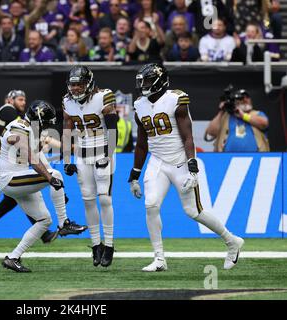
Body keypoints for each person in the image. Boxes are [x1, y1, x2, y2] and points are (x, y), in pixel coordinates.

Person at [128, 63, 244, 272]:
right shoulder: (139, 104)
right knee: (151, 204)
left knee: (193, 211)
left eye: (146, 80)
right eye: (141, 81)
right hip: (157, 161)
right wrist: (134, 174)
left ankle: (232, 241)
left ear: (159, 81)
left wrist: (192, 167)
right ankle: (159, 259)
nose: (143, 85)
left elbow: (187, 136)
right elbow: (142, 142)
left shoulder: (176, 99)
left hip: (180, 159)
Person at [0, 100, 87, 272]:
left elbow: (41, 160)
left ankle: (13, 257)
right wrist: (51, 179)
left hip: (18, 178)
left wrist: (57, 187)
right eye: (46, 122)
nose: (47, 126)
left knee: (44, 220)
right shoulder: (20, 126)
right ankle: (64, 224)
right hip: (11, 179)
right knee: (55, 175)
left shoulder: (31, 130)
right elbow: (31, 157)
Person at [0, 89, 58, 243]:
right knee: (13, 195)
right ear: (9, 100)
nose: (23, 103)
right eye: (19, 99)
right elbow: (25, 130)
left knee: (14, 196)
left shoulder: (19, 120)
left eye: (24, 100)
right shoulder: (9, 112)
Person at [62, 66, 118, 267]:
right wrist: (66, 158)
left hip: (103, 149)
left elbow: (113, 128)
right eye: (73, 84)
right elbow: (67, 128)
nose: (76, 88)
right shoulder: (67, 101)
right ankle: (96, 245)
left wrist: (109, 155)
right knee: (88, 200)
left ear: (89, 83)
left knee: (104, 198)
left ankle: (109, 245)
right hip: (83, 153)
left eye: (80, 84)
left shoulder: (103, 96)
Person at [205, 89, 269, 152]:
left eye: (247, 97)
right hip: (227, 158)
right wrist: (221, 111)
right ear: (235, 102)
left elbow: (264, 123)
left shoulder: (257, 114)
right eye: (241, 98)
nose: (245, 100)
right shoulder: (226, 116)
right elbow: (211, 132)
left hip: (255, 157)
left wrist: (243, 116)